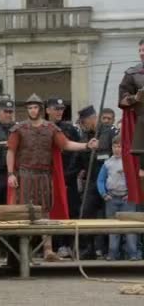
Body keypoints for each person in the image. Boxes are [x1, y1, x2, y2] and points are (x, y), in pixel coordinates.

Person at [7, 94, 98, 261]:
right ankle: (23, 253)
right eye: (30, 107)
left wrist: (86, 145)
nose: (33, 110)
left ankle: (48, 250)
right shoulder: (18, 129)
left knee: (45, 212)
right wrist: (11, 174)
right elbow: (11, 151)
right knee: (24, 213)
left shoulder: (51, 129)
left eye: (35, 107)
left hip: (44, 175)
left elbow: (66, 144)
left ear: (41, 109)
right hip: (24, 175)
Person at [75, 105, 114, 259]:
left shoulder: (109, 132)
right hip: (91, 180)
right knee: (85, 213)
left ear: (92, 119)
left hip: (108, 182)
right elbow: (79, 158)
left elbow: (116, 153)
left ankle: (108, 249)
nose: (82, 125)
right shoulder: (84, 136)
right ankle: (88, 248)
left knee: (108, 216)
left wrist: (99, 148)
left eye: (84, 122)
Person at [44, 97, 81, 258]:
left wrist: (68, 176)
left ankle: (68, 245)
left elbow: (76, 153)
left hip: (68, 177)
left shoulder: (69, 129)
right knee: (50, 212)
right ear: (48, 110)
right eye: (56, 109)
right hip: (48, 177)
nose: (59, 112)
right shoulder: (42, 128)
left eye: (61, 109)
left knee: (70, 210)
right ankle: (51, 247)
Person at [97, 135, 141, 261]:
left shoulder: (129, 162)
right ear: (112, 147)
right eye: (115, 146)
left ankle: (132, 253)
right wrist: (104, 194)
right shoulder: (107, 163)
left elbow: (135, 180)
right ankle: (113, 253)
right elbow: (100, 180)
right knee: (113, 228)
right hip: (112, 198)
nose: (117, 149)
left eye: (120, 146)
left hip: (127, 198)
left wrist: (131, 193)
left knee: (130, 228)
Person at [118, 39, 144, 205]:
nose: (142, 53)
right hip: (142, 124)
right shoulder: (132, 73)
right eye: (140, 50)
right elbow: (122, 100)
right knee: (142, 169)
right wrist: (135, 98)